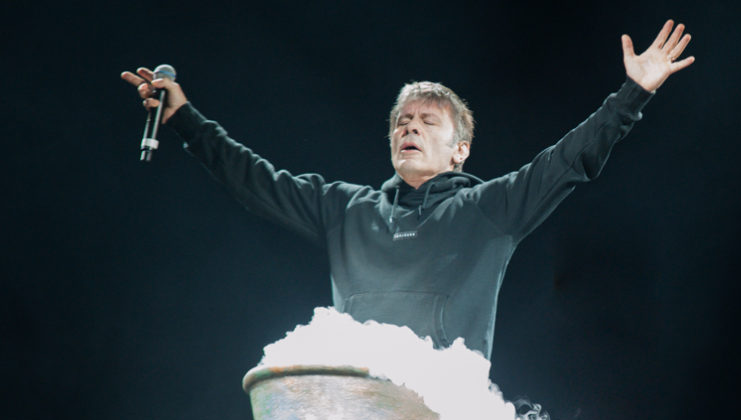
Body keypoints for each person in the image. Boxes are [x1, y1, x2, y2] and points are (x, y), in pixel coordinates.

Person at [121, 21, 694, 360]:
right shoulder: (346, 209)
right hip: (353, 412)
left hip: (443, 419)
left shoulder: (489, 209)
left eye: (426, 121)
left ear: (460, 149)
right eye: (402, 122)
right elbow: (254, 179)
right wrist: (186, 119)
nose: (409, 128)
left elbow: (567, 161)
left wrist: (632, 96)